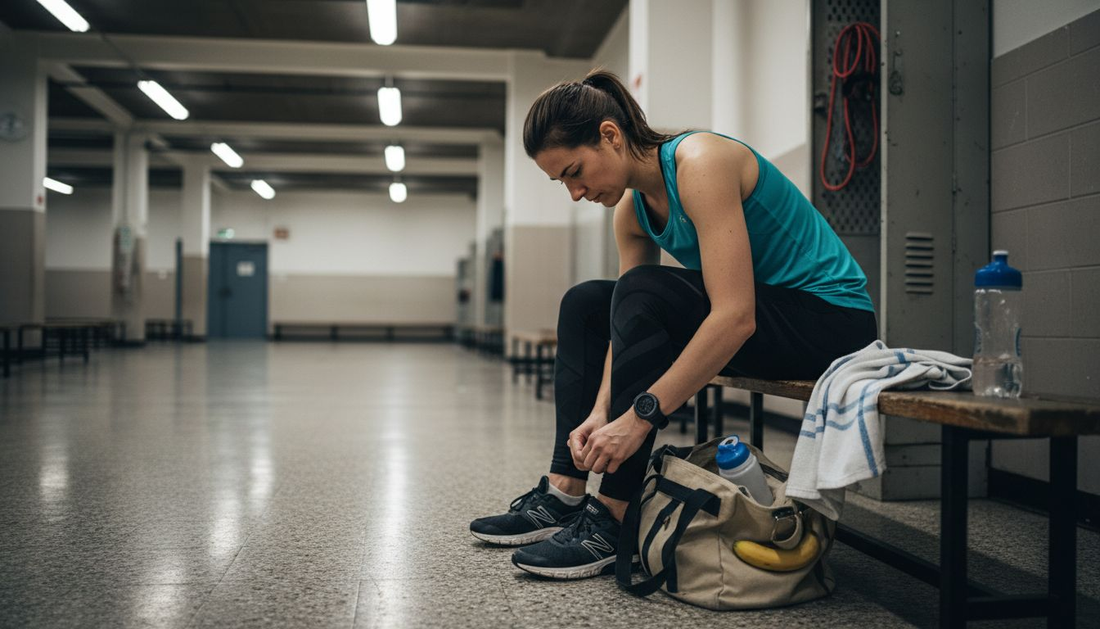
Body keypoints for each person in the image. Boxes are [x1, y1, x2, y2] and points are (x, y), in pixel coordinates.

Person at [470, 69, 878, 580]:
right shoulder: (632, 211)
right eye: (563, 183)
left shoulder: (700, 163)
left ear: (610, 136)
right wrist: (600, 412)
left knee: (642, 287)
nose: (575, 193)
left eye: (575, 172)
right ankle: (565, 490)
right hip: (771, 314)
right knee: (587, 302)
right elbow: (623, 321)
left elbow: (735, 317)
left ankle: (613, 518)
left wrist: (639, 416)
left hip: (831, 320)